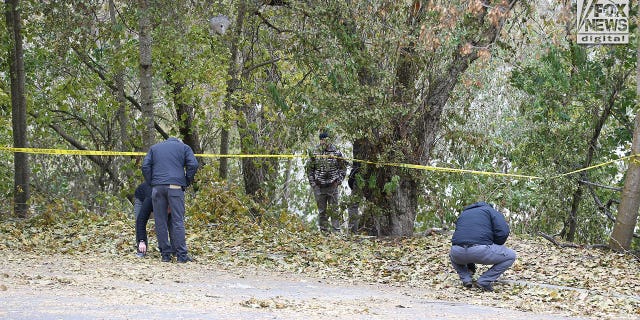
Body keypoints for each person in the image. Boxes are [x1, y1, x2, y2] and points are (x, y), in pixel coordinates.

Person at [142, 137, 199, 263]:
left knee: (160, 221)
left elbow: (145, 166)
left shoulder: (154, 148)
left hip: (157, 187)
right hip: (175, 187)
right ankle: (181, 256)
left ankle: (165, 255)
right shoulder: (184, 147)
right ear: (179, 141)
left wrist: (152, 182)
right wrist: (186, 181)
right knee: (178, 220)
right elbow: (193, 165)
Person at [449, 201, 516, 292]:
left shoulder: (464, 214)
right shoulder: (491, 211)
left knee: (453, 254)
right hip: (480, 251)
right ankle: (484, 281)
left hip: (457, 253)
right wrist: (494, 244)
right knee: (510, 255)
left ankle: (466, 279)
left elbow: (462, 235)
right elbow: (503, 232)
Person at [306, 132, 347, 233]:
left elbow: (343, 168)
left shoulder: (336, 151)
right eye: (322, 140)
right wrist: (313, 184)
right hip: (319, 186)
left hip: (333, 185)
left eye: (326, 140)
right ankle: (324, 232)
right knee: (322, 211)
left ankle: (336, 233)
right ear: (320, 140)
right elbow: (309, 169)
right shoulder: (315, 151)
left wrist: (339, 181)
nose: (324, 142)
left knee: (334, 210)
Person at [133, 181, 174, 258]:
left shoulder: (174, 201)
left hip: (158, 197)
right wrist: (142, 241)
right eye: (168, 210)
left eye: (170, 210)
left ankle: (173, 249)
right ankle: (141, 250)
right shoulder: (149, 200)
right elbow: (141, 221)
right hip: (142, 198)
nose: (168, 212)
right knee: (139, 219)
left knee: (171, 223)